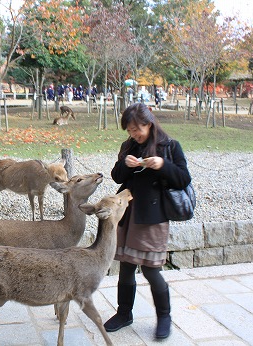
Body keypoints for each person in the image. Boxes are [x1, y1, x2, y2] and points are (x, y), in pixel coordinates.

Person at [105, 102, 191, 339]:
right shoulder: (129, 146)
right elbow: (116, 177)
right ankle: (124, 313)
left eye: (137, 129)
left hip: (154, 217)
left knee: (152, 270)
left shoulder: (170, 146)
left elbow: (183, 179)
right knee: (126, 267)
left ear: (149, 123)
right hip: (130, 213)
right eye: (130, 131)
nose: (134, 134)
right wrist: (127, 164)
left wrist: (163, 165)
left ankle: (164, 317)